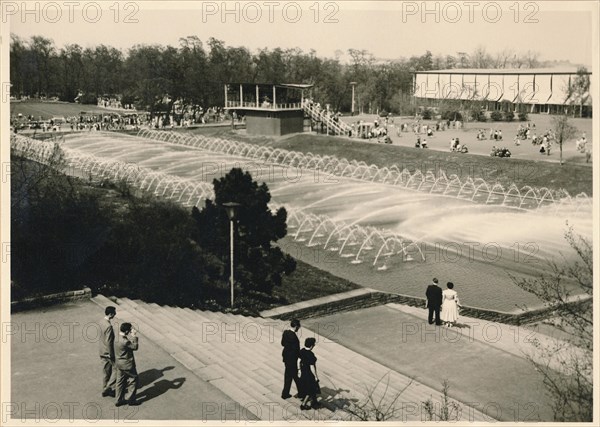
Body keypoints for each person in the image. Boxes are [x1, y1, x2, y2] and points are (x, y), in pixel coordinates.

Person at [115, 322, 139, 406]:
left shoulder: (116, 337)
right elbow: (135, 347)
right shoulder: (125, 341)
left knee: (120, 382)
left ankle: (118, 399)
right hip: (127, 364)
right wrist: (134, 336)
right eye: (129, 331)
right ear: (126, 331)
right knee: (133, 379)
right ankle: (130, 399)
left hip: (119, 363)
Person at [281, 319, 301, 399]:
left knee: (288, 376)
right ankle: (301, 392)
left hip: (286, 357)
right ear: (296, 327)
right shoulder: (294, 338)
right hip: (292, 359)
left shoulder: (285, 332)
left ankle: (285, 394)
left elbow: (282, 343)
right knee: (296, 376)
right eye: (298, 327)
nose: (299, 328)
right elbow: (296, 350)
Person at [298, 337, 320, 410]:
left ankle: (315, 402)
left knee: (310, 388)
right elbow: (312, 367)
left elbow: (298, 361)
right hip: (309, 374)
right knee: (310, 389)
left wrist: (299, 370)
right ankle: (303, 404)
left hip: (303, 372)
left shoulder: (302, 351)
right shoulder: (311, 355)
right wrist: (316, 376)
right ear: (311, 346)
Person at [100, 306, 117, 397]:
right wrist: (111, 354)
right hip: (107, 352)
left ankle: (105, 388)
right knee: (117, 369)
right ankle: (108, 388)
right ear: (110, 314)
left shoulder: (101, 322)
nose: (115, 314)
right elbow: (109, 342)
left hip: (101, 350)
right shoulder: (109, 326)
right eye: (114, 313)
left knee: (106, 371)